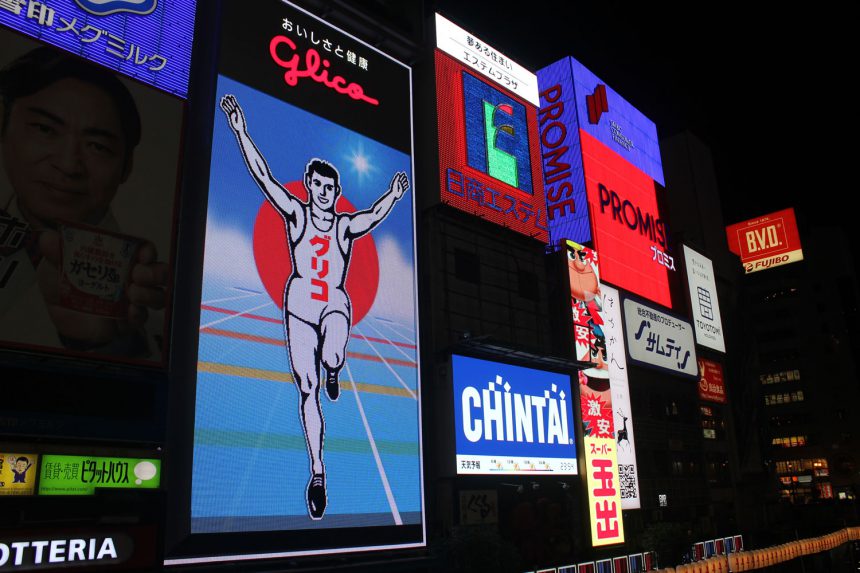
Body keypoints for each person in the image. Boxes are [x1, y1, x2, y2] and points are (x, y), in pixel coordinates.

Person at [220, 93, 408, 520]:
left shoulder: (344, 225)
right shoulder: (297, 216)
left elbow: (374, 216)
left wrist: (394, 195)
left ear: (337, 191)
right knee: (306, 387)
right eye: (317, 187)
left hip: (334, 303)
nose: (323, 193)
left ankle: (336, 368)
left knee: (333, 353)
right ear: (310, 188)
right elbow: (264, 177)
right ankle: (318, 472)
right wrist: (240, 131)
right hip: (300, 304)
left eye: (329, 188)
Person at [0, 46, 167, 357]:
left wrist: (106, 345)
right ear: (4, 127)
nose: (68, 165)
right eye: (45, 130)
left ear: (126, 167)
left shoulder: (146, 291)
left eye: (97, 146)